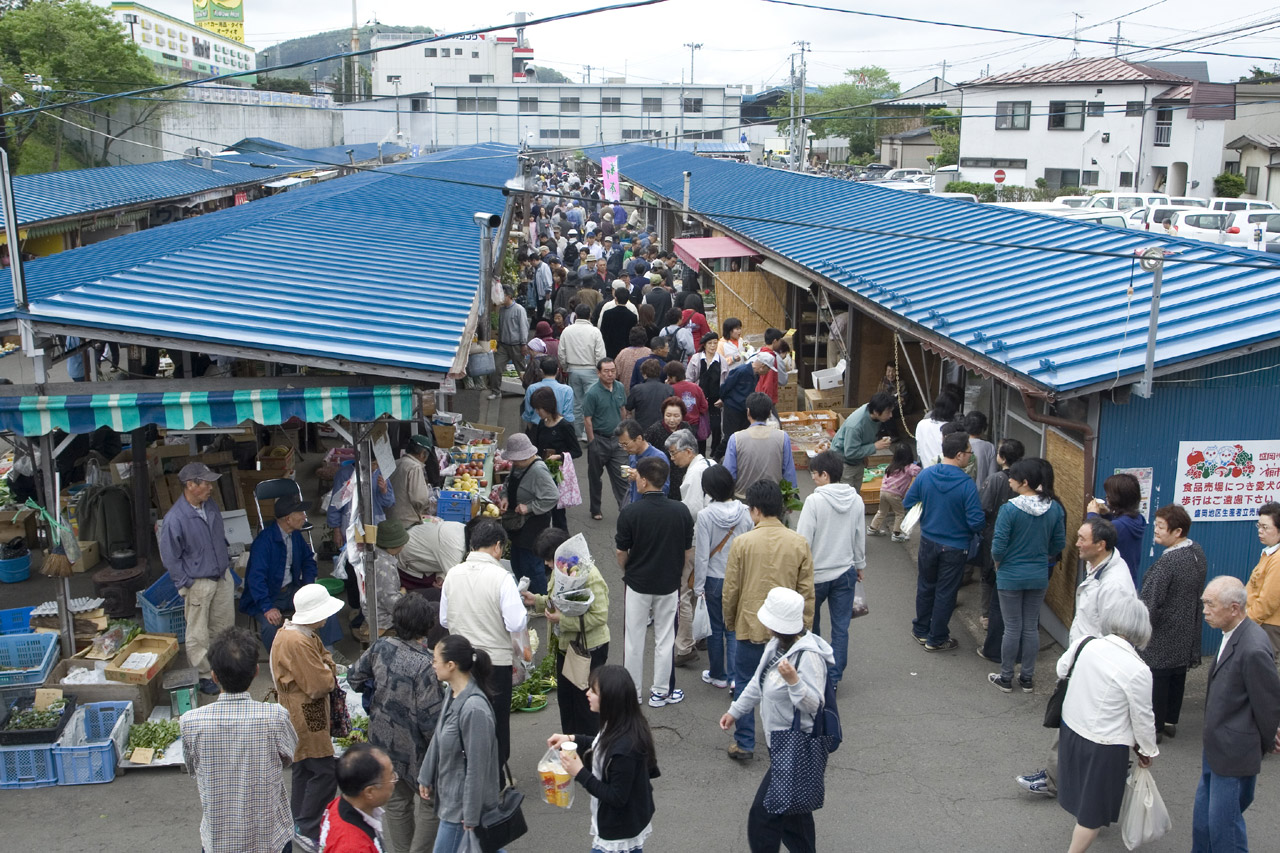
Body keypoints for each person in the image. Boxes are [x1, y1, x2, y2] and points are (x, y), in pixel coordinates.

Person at [1016, 517, 1139, 797]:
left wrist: (1092, 664)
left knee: (1074, 719)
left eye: (1083, 539)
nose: (1077, 544)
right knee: (1079, 721)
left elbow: (1114, 634)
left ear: (1101, 545)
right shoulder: (1097, 565)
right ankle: (1074, 775)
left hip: (1095, 664)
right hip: (1085, 658)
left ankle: (1057, 779)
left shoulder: (1114, 584)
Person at [719, 588, 834, 853]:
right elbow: (758, 685)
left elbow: (814, 705)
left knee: (764, 815)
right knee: (795, 815)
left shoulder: (809, 656)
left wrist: (794, 682)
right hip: (781, 744)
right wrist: (735, 712)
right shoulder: (775, 645)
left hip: (796, 746)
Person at [1055, 597, 1159, 853]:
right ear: (1142, 629)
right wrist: (1147, 750)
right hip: (1104, 744)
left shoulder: (1085, 643)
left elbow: (1061, 670)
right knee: (1093, 811)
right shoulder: (1138, 670)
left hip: (1071, 727)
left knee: (1080, 790)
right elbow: (1143, 717)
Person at [723, 480, 815, 762]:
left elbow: (732, 589)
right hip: (788, 630)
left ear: (755, 510)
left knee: (746, 681)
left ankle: (745, 741)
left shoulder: (742, 543)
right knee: (788, 684)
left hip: (750, 625)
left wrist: (730, 621)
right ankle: (788, 739)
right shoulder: (799, 542)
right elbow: (807, 590)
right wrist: (805, 628)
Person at [182, 627, 297, 853]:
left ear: (214, 676)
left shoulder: (190, 722)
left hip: (219, 839)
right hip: (270, 837)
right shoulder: (275, 717)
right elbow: (288, 758)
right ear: (256, 672)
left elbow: (192, 766)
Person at [348, 595, 445, 853]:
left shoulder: (381, 646)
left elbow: (353, 676)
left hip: (382, 740)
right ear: (427, 626)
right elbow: (429, 719)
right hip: (415, 747)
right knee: (430, 800)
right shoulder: (426, 664)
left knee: (397, 802)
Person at [1193, 575, 1280, 852]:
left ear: (1234, 608)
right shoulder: (1231, 633)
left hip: (1234, 754)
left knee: (1225, 830)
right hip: (1217, 747)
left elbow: (1268, 704)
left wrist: (1266, 743)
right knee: (1203, 823)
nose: (1205, 610)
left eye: (1210, 604)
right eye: (1204, 602)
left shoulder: (1253, 648)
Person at [438, 520, 527, 774]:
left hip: (460, 663)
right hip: (494, 663)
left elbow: (444, 619)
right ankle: (493, 781)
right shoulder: (502, 577)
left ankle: (467, 773)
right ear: (498, 547)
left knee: (464, 719)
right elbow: (516, 621)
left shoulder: (453, 574)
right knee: (495, 723)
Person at [548, 665, 659, 853]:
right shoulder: (620, 725)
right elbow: (601, 743)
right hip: (623, 823)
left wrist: (580, 772)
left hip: (618, 831)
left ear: (610, 699)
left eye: (593, 691)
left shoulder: (625, 749)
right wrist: (572, 738)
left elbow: (616, 797)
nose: (587, 693)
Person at [270, 583, 345, 848]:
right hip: (305, 710)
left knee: (303, 766)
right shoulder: (298, 640)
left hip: (301, 707)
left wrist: (326, 667)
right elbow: (319, 684)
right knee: (325, 768)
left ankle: (298, 820)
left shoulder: (302, 633)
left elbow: (325, 661)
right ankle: (308, 823)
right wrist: (328, 669)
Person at [616, 455, 695, 709]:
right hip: (668, 583)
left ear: (645, 480)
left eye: (638, 476)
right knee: (664, 638)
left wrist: (629, 567)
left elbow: (621, 553)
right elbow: (687, 552)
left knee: (633, 639)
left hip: (637, 583)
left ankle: (633, 694)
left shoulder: (630, 512)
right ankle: (660, 692)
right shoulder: (681, 511)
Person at [417, 635, 504, 853]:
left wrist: (471, 815)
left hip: (461, 809)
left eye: (436, 659)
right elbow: (439, 736)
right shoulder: (452, 693)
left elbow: (477, 768)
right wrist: (426, 775)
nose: (432, 663)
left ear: (451, 665)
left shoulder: (474, 709)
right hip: (453, 802)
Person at [523, 527, 611, 738]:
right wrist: (537, 601)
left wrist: (562, 620)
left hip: (587, 650)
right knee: (567, 703)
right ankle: (570, 750)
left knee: (585, 706)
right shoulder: (562, 569)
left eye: (548, 559)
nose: (546, 564)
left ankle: (590, 756)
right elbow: (559, 602)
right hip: (567, 647)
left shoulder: (590, 575)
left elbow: (600, 616)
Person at [988, 459, 1066, 693]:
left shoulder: (1009, 509)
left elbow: (998, 547)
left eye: (1013, 476)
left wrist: (998, 563)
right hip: (1038, 574)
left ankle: (1006, 676)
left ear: (1025, 482)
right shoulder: (1055, 508)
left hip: (1010, 575)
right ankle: (1027, 678)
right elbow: (1058, 543)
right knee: (1031, 626)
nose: (1009, 479)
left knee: (1012, 627)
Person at [904, 432, 985, 652]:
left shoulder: (926, 475)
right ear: (959, 455)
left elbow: (909, 501)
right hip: (955, 546)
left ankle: (921, 629)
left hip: (928, 540)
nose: (970, 456)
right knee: (946, 592)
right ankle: (937, 637)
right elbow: (977, 521)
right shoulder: (966, 484)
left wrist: (930, 510)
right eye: (969, 452)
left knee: (926, 586)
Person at [159, 462, 234, 695]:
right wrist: (185, 583)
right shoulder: (175, 519)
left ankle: (220, 668)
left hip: (221, 576)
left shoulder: (210, 506)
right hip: (198, 582)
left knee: (223, 627)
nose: (211, 487)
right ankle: (204, 675)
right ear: (191, 485)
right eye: (206, 483)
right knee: (198, 633)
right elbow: (170, 557)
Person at [1133, 504, 1205, 742]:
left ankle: (1154, 727)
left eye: (1161, 527)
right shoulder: (1197, 552)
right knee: (1177, 675)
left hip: (1164, 628)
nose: (1156, 531)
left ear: (1177, 532)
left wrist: (1139, 630)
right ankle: (1170, 721)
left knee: (1159, 677)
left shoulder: (1168, 562)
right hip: (1187, 625)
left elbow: (1151, 601)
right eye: (1156, 525)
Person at [795, 450, 865, 690]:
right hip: (845, 571)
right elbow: (859, 536)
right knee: (841, 628)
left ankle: (813, 671)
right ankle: (834, 678)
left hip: (816, 574)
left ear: (825, 475)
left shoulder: (814, 501)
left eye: (814, 474)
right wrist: (859, 564)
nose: (813, 478)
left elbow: (804, 539)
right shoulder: (855, 499)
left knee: (810, 627)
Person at [241, 495, 341, 652]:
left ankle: (330, 650)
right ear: (288, 519)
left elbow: (309, 560)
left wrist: (308, 588)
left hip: (290, 590)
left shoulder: (294, 535)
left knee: (324, 604)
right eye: (300, 513)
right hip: (268, 597)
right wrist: (267, 607)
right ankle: (280, 663)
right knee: (270, 625)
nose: (304, 516)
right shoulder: (263, 542)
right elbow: (256, 578)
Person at [694, 465, 754, 691]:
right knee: (734, 629)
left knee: (716, 629)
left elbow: (702, 554)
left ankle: (718, 674)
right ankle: (735, 677)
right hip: (738, 576)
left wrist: (699, 586)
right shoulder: (746, 511)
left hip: (713, 577)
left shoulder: (705, 515)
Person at [328, 459, 396, 641]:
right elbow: (337, 503)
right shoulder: (344, 474)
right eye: (372, 463)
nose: (374, 467)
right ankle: (356, 606)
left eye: (375, 463)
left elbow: (389, 502)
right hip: (351, 526)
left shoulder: (380, 474)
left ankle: (373, 606)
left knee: (374, 566)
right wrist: (335, 528)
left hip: (375, 526)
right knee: (354, 567)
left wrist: (383, 489)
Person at [665, 429, 713, 668]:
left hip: (694, 541)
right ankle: (702, 635)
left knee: (684, 593)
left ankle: (684, 646)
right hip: (712, 541)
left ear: (688, 450)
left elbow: (691, 511)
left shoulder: (694, 474)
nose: (672, 458)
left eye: (674, 453)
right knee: (701, 589)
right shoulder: (709, 463)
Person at [978, 438, 1025, 661]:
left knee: (989, 577)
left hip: (994, 537)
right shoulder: (1026, 482)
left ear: (1002, 458)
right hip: (1018, 546)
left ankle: (987, 617)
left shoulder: (995, 479)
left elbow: (984, 508)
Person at [495, 433, 559, 595]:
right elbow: (508, 482)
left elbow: (553, 496)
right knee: (518, 563)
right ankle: (528, 595)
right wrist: (505, 497)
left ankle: (541, 600)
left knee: (532, 565)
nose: (512, 462)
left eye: (515, 458)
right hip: (518, 524)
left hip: (533, 525)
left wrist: (529, 507)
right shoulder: (518, 466)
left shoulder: (538, 470)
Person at [321, 743, 397, 852]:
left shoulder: (338, 805)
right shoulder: (353, 847)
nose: (394, 781)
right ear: (370, 792)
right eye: (391, 776)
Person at [724, 392, 798, 498]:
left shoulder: (735, 439)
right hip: (773, 498)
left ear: (748, 412)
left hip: (744, 498)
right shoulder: (782, 437)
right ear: (769, 413)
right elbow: (788, 472)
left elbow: (730, 473)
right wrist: (790, 495)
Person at [530, 386, 583, 531]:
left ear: (547, 406)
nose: (537, 411)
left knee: (558, 515)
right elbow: (536, 447)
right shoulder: (541, 424)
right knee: (542, 514)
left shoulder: (565, 426)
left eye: (538, 408)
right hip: (541, 473)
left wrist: (559, 456)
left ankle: (562, 544)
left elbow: (577, 451)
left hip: (557, 476)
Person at [584, 358, 629, 520]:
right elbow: (587, 419)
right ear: (598, 373)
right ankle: (595, 509)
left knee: (623, 476)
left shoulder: (620, 387)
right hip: (599, 439)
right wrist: (592, 442)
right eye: (606, 371)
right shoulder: (592, 393)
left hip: (617, 440)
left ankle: (626, 509)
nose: (610, 374)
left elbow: (623, 409)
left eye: (613, 371)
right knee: (595, 477)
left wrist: (624, 432)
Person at [1087, 473, 1147, 585]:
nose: (1107, 498)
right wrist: (1107, 514)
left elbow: (1091, 535)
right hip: (1128, 580)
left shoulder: (1119, 526)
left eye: (1108, 496)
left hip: (1112, 583)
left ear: (1117, 499)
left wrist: (1092, 514)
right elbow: (1117, 526)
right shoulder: (1138, 519)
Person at [559, 303, 607, 440]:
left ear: (576, 315)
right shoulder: (595, 331)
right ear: (590, 316)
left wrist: (565, 367)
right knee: (591, 403)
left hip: (573, 369)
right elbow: (600, 354)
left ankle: (577, 432)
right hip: (591, 370)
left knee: (576, 402)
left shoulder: (567, 331)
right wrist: (600, 370)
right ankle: (588, 433)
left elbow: (561, 353)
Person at [830, 391, 896, 490]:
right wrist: (874, 446)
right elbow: (850, 453)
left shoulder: (873, 413)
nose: (890, 415)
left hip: (858, 460)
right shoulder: (855, 426)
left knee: (856, 492)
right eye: (888, 412)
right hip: (844, 462)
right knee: (847, 495)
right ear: (876, 412)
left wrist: (865, 455)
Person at [1244, 501, 1280, 658]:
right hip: (1258, 621)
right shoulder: (1268, 553)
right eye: (1259, 526)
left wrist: (1244, 620)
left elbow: (1268, 601)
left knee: (1260, 672)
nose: (1260, 531)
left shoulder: (1277, 559)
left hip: (1267, 625)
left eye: (1265, 528)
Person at [399, 517, 467, 597]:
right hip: (409, 562)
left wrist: (441, 576)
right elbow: (457, 582)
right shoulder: (454, 544)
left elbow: (440, 551)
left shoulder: (459, 529)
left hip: (425, 561)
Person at [868, 443, 919, 542]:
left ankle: (873, 528)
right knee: (900, 513)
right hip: (894, 494)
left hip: (883, 491)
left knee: (882, 511)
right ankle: (897, 533)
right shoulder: (909, 467)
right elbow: (918, 472)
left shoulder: (891, 466)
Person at [718, 359, 766, 459]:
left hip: (745, 409)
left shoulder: (756, 374)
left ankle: (737, 459)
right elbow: (726, 387)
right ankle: (717, 457)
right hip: (733, 408)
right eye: (768, 369)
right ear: (762, 366)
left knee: (743, 436)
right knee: (729, 437)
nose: (768, 372)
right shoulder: (741, 371)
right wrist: (723, 399)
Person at [388, 434, 441, 525]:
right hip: (406, 520)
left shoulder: (396, 462)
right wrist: (429, 505)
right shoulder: (414, 467)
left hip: (390, 517)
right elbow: (419, 499)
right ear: (422, 454)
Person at [687, 332, 724, 457]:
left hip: (715, 398)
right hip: (699, 398)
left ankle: (715, 450)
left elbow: (725, 380)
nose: (713, 346)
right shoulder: (696, 358)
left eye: (715, 343)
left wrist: (722, 398)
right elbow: (689, 378)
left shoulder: (721, 360)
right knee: (700, 426)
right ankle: (701, 452)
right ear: (704, 345)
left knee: (716, 426)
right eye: (710, 343)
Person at [489, 285, 529, 400]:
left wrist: (524, 343)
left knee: (521, 370)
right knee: (496, 367)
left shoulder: (519, 309)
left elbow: (523, 327)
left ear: (510, 296)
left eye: (503, 295)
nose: (501, 298)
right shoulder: (502, 310)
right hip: (503, 345)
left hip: (516, 345)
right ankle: (496, 391)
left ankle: (529, 391)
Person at [617, 418, 669, 504]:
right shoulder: (632, 456)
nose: (624, 448)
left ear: (639, 438)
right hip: (633, 504)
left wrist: (640, 477)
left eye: (625, 444)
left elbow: (665, 488)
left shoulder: (659, 457)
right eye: (621, 445)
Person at [522, 356, 575, 429]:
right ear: (557, 370)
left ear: (541, 371)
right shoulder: (567, 390)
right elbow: (568, 416)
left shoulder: (532, 388)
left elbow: (528, 412)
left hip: (537, 427)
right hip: (559, 429)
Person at [914, 393, 958, 469]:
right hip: (945, 472)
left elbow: (919, 451)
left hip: (926, 471)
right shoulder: (950, 428)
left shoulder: (921, 423)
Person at [626, 359, 672, 430]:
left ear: (644, 374)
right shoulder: (668, 389)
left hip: (642, 429)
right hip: (663, 428)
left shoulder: (637, 389)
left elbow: (628, 406)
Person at [598, 286, 639, 359]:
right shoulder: (632, 316)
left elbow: (603, 332)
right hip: (626, 349)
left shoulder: (607, 314)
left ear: (615, 298)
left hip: (609, 349)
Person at [752, 328, 788, 404]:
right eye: (779, 341)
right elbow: (768, 382)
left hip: (759, 395)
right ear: (775, 341)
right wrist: (767, 401)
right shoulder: (771, 358)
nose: (780, 343)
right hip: (765, 399)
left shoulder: (760, 352)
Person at [964, 412, 998, 489]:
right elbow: (992, 475)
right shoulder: (989, 447)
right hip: (980, 493)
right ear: (983, 428)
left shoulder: (959, 443)